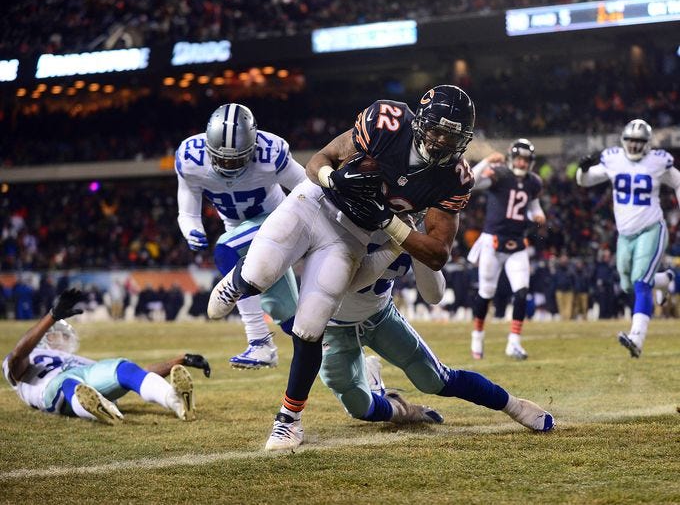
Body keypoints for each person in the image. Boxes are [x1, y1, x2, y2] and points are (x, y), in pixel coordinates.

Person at [208, 85, 476, 449]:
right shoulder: (388, 122)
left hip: (354, 236)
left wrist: (389, 224)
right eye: (437, 130)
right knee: (261, 272)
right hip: (317, 202)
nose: (442, 140)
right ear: (420, 122)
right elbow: (321, 159)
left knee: (310, 326)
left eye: (453, 135)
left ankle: (289, 420)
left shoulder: (449, 181)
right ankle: (240, 280)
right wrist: (332, 178)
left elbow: (435, 264)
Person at [308, 234, 554, 451]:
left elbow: (434, 295)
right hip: (334, 325)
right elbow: (353, 281)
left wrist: (421, 243)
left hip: (380, 315)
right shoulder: (346, 211)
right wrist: (396, 240)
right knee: (359, 408)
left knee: (434, 379)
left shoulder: (417, 220)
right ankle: (400, 409)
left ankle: (515, 406)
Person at [175, 103, 306, 368]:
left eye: (236, 159)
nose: (228, 165)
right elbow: (187, 208)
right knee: (292, 319)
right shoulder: (190, 160)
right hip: (239, 229)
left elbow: (308, 189)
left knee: (226, 251)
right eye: (221, 159)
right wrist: (191, 230)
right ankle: (357, 361)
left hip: (279, 220)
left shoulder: (270, 153)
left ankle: (258, 342)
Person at [3, 289, 211, 424]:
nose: (65, 339)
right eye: (59, 334)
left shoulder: (77, 360)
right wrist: (51, 317)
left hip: (83, 373)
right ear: (45, 337)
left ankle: (174, 401)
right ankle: (96, 408)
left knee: (124, 368)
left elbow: (140, 373)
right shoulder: (33, 355)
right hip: (52, 388)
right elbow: (17, 356)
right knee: (70, 384)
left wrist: (182, 359)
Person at [577, 119, 680, 357]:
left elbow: (677, 179)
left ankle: (637, 338)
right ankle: (665, 280)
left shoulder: (657, 161)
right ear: (624, 141)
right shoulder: (614, 159)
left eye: (639, 142)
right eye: (631, 141)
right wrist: (582, 169)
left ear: (647, 143)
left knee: (641, 282)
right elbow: (585, 181)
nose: (634, 146)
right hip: (625, 234)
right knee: (627, 284)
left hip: (651, 228)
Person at [467, 139, 546, 360]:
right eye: (519, 158)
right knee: (486, 292)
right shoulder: (500, 174)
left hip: (517, 242)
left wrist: (537, 215)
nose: (522, 162)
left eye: (526, 159)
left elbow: (532, 207)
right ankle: (477, 336)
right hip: (493, 240)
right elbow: (470, 182)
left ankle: (514, 343)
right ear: (512, 158)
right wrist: (485, 161)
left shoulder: (533, 182)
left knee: (521, 290)